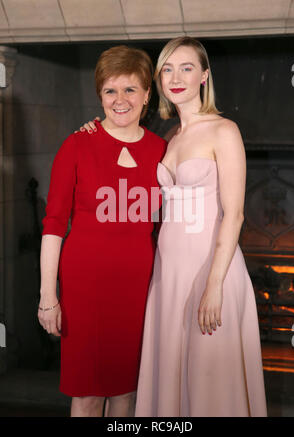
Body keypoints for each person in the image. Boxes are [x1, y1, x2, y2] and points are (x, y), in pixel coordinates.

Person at [81, 36, 267, 417]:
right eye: (167, 68)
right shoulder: (168, 138)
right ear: (160, 81)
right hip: (168, 278)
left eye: (186, 67)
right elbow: (121, 150)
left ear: (204, 76)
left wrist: (213, 286)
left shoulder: (223, 130)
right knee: (173, 382)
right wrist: (93, 129)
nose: (176, 76)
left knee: (210, 383)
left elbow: (234, 215)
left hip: (211, 273)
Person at [38, 45, 166, 417]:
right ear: (100, 96)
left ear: (146, 95)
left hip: (139, 288)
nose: (120, 99)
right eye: (110, 90)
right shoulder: (77, 144)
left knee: (126, 392)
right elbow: (53, 225)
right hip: (84, 288)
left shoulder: (162, 150)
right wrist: (49, 295)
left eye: (130, 89)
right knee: (88, 394)